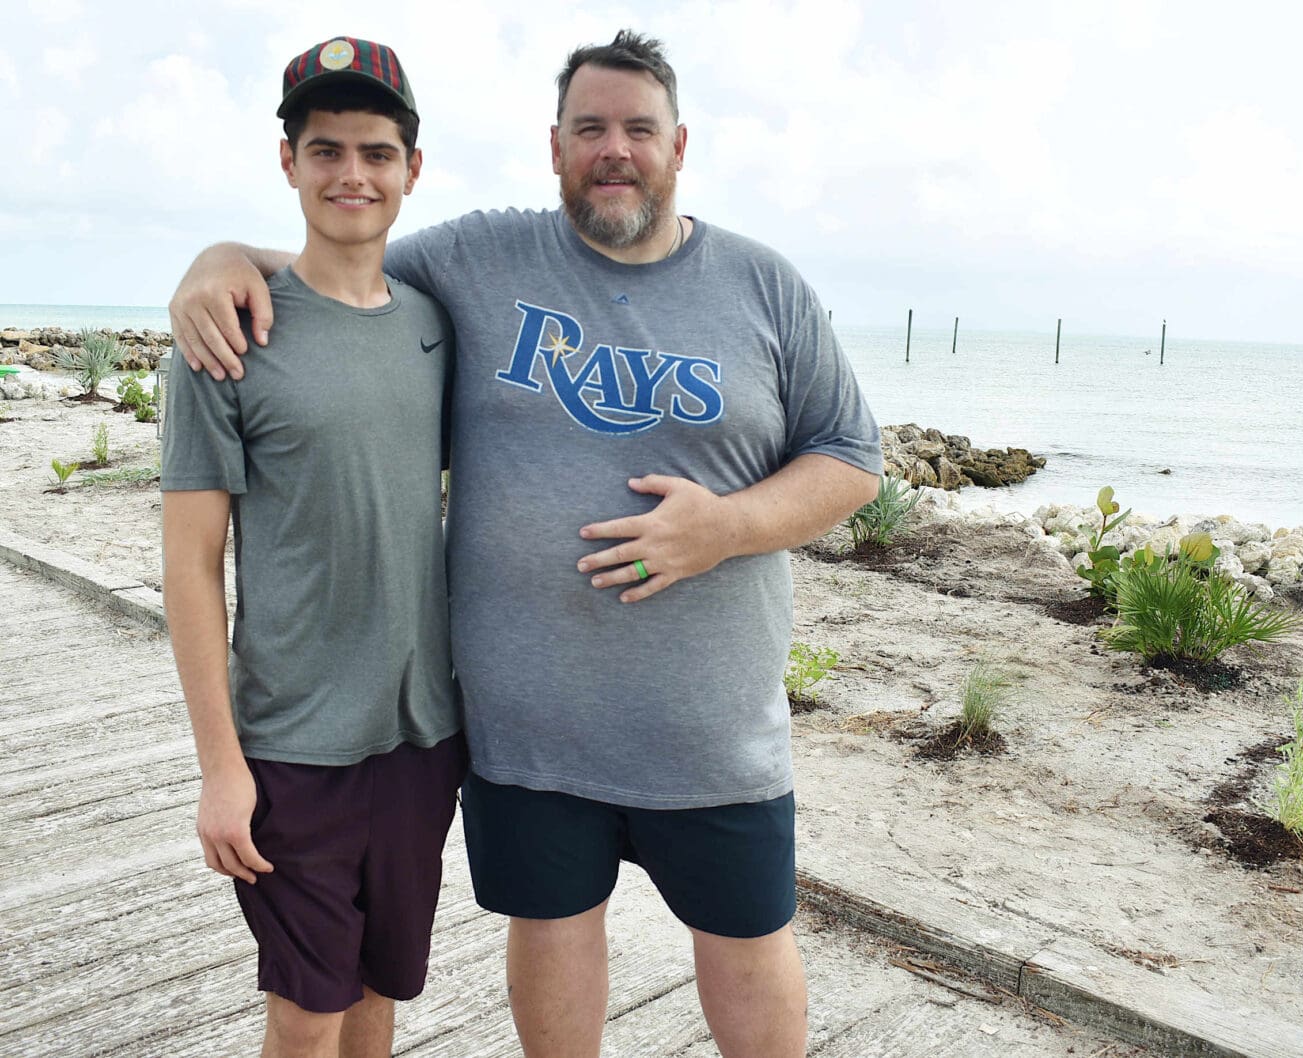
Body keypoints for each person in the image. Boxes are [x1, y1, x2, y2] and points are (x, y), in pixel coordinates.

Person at [169, 30, 881, 1058]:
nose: (615, 148)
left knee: (746, 944)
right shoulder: (478, 257)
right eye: (590, 127)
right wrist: (219, 259)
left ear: (682, 144)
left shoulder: (764, 286)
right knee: (549, 934)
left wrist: (727, 527)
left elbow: (853, 457)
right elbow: (341, 263)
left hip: (711, 731)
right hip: (526, 734)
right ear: (554, 146)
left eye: (640, 127)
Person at [160, 37, 465, 1058]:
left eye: (376, 152)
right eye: (325, 149)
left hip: (424, 734)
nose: (352, 174)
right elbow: (192, 564)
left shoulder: (436, 323)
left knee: (381, 989)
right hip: (292, 742)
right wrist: (220, 768)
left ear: (411, 171)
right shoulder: (226, 337)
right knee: (306, 1011)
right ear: (286, 161)